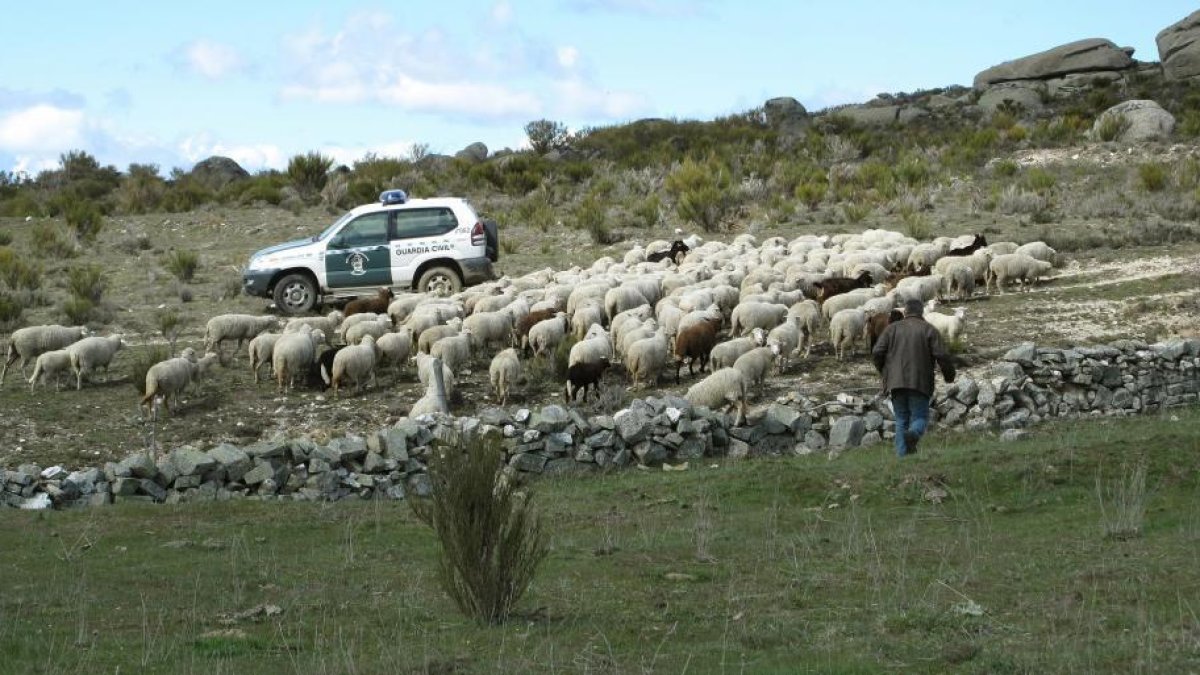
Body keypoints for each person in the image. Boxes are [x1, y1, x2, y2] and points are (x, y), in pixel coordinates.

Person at [871, 298, 956, 457]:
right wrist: (949, 376)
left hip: (895, 383)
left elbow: (877, 352)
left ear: (905, 312)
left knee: (901, 420)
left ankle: (902, 458)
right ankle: (914, 435)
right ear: (921, 312)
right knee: (920, 417)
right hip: (920, 382)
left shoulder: (891, 329)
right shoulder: (929, 329)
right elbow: (942, 355)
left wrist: (884, 371)